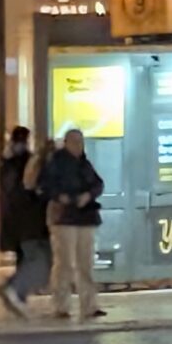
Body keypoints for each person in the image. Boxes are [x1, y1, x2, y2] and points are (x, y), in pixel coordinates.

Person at [38, 127, 106, 321]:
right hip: (63, 218)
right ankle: (61, 306)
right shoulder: (55, 163)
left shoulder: (84, 164)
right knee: (64, 263)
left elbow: (98, 184)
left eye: (81, 142)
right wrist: (62, 197)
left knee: (86, 263)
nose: (79, 146)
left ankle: (89, 305)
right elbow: (44, 187)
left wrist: (88, 195)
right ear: (66, 143)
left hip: (85, 218)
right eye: (75, 142)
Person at [0, 126, 50, 319]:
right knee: (34, 258)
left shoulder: (7, 163)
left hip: (16, 220)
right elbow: (24, 192)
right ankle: (15, 290)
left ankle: (18, 295)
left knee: (26, 257)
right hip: (28, 220)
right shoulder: (26, 162)